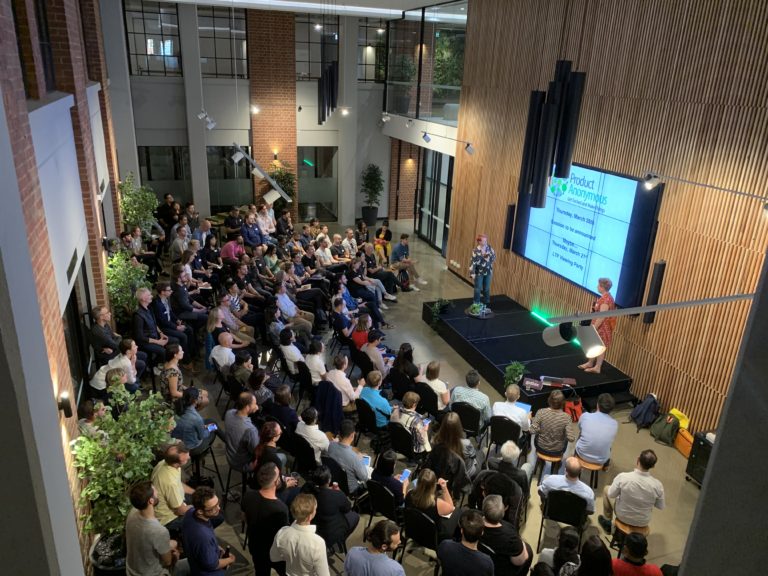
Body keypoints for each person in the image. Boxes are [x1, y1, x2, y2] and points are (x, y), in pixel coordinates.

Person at [599, 449, 665, 534]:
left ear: (638, 460)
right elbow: (660, 506)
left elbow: (611, 494)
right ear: (653, 466)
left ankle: (608, 522)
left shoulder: (623, 477)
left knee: (606, 489)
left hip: (622, 516)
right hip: (643, 521)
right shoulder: (658, 485)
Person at [125, 480, 182, 576]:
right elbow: (168, 562)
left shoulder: (132, 513)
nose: (158, 492)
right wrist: (175, 556)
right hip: (153, 573)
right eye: (155, 491)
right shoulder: (159, 531)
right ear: (151, 501)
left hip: (132, 570)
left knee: (173, 543)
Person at [242, 463, 289, 576]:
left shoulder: (248, 496)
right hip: (275, 553)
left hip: (256, 547)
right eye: (279, 476)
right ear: (276, 482)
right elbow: (284, 537)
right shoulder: (280, 509)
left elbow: (244, 518)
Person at [270, 494, 330, 576]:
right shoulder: (318, 542)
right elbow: (324, 574)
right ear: (309, 517)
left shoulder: (282, 533)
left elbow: (274, 557)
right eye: (315, 509)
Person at [181, 487, 235, 575]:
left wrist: (217, 548)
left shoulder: (190, 513)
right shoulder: (203, 536)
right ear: (200, 511)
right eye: (213, 507)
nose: (219, 508)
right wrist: (230, 560)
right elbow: (212, 565)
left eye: (218, 503)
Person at [302, 466, 360, 548]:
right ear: (329, 480)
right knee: (355, 516)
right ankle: (341, 539)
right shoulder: (337, 495)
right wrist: (340, 492)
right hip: (329, 533)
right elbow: (347, 508)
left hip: (312, 525)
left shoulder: (308, 488)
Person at [425, 411, 478, 494]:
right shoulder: (466, 443)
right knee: (480, 455)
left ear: (443, 426)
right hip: (460, 475)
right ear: (459, 427)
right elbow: (473, 455)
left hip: (441, 473)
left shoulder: (435, 440)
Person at [480, 494, 531, 576]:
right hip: (498, 569)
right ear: (503, 512)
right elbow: (519, 561)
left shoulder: (473, 521)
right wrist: (522, 543)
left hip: (481, 560)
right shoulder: (510, 534)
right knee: (529, 551)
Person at [530, 390, 578, 474]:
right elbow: (571, 438)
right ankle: (557, 463)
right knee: (565, 440)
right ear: (563, 403)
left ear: (549, 400)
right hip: (557, 451)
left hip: (541, 448)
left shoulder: (541, 412)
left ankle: (541, 461)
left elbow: (531, 430)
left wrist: (540, 429)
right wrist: (562, 432)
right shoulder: (566, 417)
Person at [405, 468, 459, 541]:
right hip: (430, 539)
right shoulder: (438, 504)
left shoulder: (409, 494)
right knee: (458, 512)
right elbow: (451, 508)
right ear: (434, 486)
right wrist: (444, 488)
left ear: (418, 482)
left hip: (413, 531)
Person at [437, 509, 494, 576]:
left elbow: (440, 561)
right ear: (482, 533)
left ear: (461, 531)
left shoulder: (445, 545)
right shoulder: (486, 563)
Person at [151, 443, 194, 533]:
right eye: (186, 459)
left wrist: (195, 492)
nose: (189, 457)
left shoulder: (164, 463)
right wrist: (195, 507)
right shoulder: (170, 482)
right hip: (168, 520)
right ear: (178, 463)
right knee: (207, 515)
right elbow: (180, 511)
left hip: (178, 503)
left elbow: (179, 484)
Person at [578, 277, 616, 374]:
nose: (597, 287)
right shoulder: (605, 297)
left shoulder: (606, 300)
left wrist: (594, 327)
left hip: (602, 327)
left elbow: (602, 316)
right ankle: (590, 363)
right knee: (594, 344)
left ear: (602, 287)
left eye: (598, 285)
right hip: (598, 325)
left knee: (600, 346)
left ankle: (597, 367)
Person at [327, 419, 369, 494]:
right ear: (352, 435)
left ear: (339, 433)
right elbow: (364, 477)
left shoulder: (331, 445)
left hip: (334, 480)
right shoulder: (355, 457)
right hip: (350, 489)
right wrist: (360, 460)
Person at [575, 392, 618, 465]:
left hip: (581, 454)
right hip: (601, 460)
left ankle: (574, 459)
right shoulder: (615, 423)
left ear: (597, 405)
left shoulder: (585, 416)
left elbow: (579, 428)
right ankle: (606, 465)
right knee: (608, 444)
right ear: (611, 409)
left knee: (581, 433)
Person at [172, 387, 215, 456]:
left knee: (211, 421)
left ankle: (227, 439)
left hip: (178, 441)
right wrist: (208, 429)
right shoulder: (197, 418)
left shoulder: (176, 407)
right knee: (214, 426)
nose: (201, 397)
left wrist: (203, 427)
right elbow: (202, 436)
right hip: (190, 447)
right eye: (200, 397)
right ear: (195, 401)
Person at [224, 392, 260, 472]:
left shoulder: (228, 413)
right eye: (255, 404)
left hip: (230, 456)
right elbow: (255, 451)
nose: (257, 407)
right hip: (242, 464)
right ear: (247, 407)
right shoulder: (250, 430)